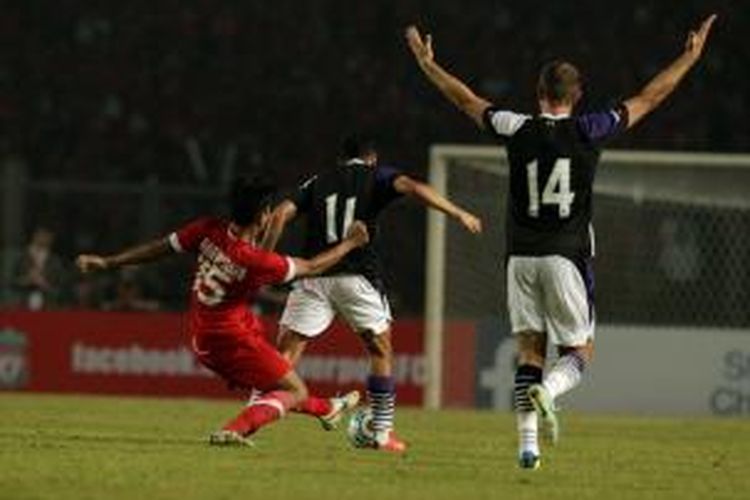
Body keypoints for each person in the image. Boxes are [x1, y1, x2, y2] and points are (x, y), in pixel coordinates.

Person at [406, 14, 716, 469]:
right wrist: (689, 57)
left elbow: (465, 100)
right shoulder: (590, 129)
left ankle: (527, 447)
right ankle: (549, 391)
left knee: (529, 349)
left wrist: (428, 65)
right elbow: (652, 97)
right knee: (579, 351)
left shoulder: (515, 127)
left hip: (519, 258)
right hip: (567, 256)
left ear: (539, 95)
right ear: (577, 97)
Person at [76, 177, 370, 446]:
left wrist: (109, 262)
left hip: (204, 337)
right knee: (295, 391)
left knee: (274, 385)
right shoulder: (254, 260)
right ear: (262, 216)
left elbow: (160, 247)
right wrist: (350, 243)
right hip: (232, 340)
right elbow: (313, 267)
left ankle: (329, 409)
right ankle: (234, 430)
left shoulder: (207, 230)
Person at [262, 135, 483, 452]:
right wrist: (458, 213)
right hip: (357, 277)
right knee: (379, 352)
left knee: (284, 359)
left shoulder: (319, 180)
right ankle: (381, 433)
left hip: (314, 276)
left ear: (342, 159)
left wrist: (263, 261)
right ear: (372, 158)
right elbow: (414, 187)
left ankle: (252, 419)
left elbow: (279, 215)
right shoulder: (377, 175)